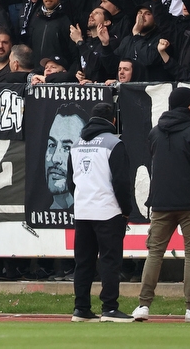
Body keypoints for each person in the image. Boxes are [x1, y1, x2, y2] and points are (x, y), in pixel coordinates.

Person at [131, 86, 190, 323]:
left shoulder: (156, 132)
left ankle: (143, 305)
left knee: (155, 252)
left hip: (161, 202)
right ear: (187, 104)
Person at [69, 102, 133, 323]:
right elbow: (122, 182)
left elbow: (71, 182)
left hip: (82, 210)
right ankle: (110, 308)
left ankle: (81, 309)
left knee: (83, 262)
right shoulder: (114, 143)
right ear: (113, 120)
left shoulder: (76, 144)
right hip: (107, 211)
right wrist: (126, 210)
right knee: (110, 261)